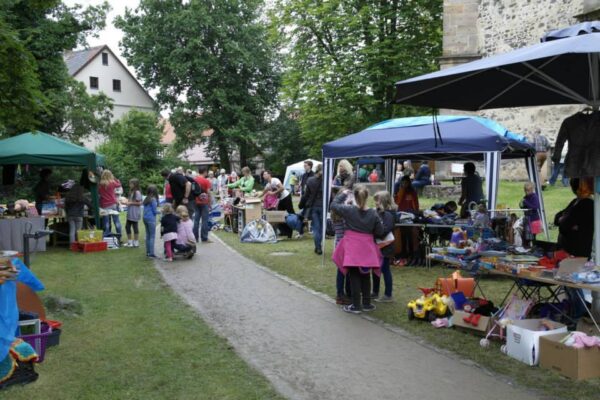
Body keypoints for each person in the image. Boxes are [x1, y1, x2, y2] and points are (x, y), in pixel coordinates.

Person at [331, 185, 384, 314]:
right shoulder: (373, 213)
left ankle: (355, 305)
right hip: (367, 248)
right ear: (367, 197)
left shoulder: (349, 210)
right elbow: (380, 231)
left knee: (354, 275)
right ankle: (366, 303)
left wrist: (343, 193)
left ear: (354, 197)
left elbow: (334, 205)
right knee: (365, 275)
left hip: (352, 247)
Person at [555, 178, 594, 258]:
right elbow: (557, 218)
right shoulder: (575, 201)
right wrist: (563, 219)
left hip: (577, 251)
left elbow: (564, 225)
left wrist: (563, 219)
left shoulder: (587, 204)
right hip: (568, 249)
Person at [371, 191, 395, 303]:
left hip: (386, 247)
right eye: (375, 201)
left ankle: (388, 294)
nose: (376, 203)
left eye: (378, 201)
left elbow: (385, 230)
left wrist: (374, 232)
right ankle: (375, 291)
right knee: (375, 269)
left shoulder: (389, 215)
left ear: (383, 202)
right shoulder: (377, 212)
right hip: (376, 246)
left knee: (385, 269)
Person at [394, 176, 421, 266]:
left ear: (409, 183)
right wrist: (401, 190)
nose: (404, 184)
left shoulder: (412, 192)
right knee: (402, 236)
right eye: (403, 182)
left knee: (410, 236)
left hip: (410, 217)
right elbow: (397, 202)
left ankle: (412, 254)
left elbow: (416, 205)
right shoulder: (399, 191)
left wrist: (416, 213)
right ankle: (403, 253)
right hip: (401, 217)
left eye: (406, 182)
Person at [262, 170, 296, 238]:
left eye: (265, 174)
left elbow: (282, 188)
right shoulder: (268, 184)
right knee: (278, 215)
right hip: (281, 199)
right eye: (263, 175)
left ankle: (297, 228)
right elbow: (264, 192)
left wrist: (273, 193)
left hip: (286, 197)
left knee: (291, 213)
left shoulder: (275, 180)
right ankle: (284, 232)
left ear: (269, 174)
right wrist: (257, 196)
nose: (263, 176)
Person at [299, 164, 323, 254]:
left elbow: (306, 195)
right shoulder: (326, 181)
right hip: (322, 206)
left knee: (316, 228)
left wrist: (301, 204)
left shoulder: (310, 180)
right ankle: (318, 247)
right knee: (320, 228)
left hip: (313, 206)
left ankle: (318, 247)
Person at [99, 170, 122, 238]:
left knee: (106, 222)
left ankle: (107, 237)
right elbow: (119, 184)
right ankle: (119, 236)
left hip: (105, 205)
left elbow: (98, 192)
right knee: (116, 221)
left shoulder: (100, 184)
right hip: (113, 204)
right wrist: (114, 178)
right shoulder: (112, 183)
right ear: (110, 175)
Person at [193, 166, 213, 243]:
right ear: (204, 171)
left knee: (196, 220)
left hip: (195, 201)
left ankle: (195, 238)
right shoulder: (206, 181)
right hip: (204, 202)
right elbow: (208, 192)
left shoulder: (194, 180)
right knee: (205, 220)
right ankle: (204, 238)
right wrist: (210, 202)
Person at [124, 179, 143, 248]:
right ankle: (130, 241)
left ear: (134, 184)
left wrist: (130, 203)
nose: (129, 185)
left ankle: (136, 242)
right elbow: (131, 201)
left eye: (130, 184)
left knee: (135, 227)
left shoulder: (137, 192)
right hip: (130, 212)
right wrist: (126, 201)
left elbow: (139, 203)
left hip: (134, 212)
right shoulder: (131, 191)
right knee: (127, 227)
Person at [143, 185, 159, 258]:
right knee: (152, 236)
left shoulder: (146, 199)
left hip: (145, 218)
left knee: (148, 235)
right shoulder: (153, 200)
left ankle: (148, 252)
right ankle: (151, 253)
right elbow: (154, 211)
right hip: (151, 219)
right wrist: (162, 211)